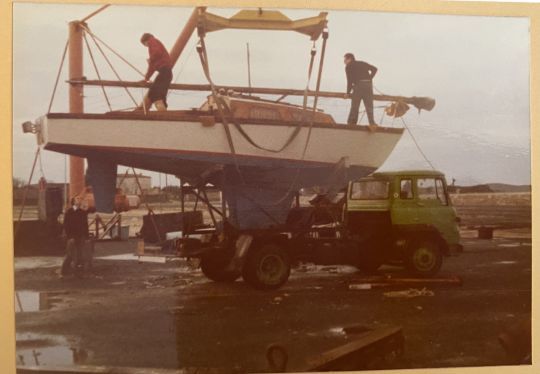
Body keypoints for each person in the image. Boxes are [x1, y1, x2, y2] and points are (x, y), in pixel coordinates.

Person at [137, 33, 173, 112]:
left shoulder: (152, 41)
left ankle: (161, 114)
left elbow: (157, 52)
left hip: (164, 71)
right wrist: (146, 78)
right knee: (161, 96)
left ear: (145, 41)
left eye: (145, 45)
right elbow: (152, 67)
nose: (147, 47)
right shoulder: (155, 43)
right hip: (167, 73)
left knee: (154, 94)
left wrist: (151, 59)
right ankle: (163, 112)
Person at [343, 53, 378, 127]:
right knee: (369, 106)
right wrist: (369, 78)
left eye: (345, 59)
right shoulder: (362, 63)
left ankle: (352, 124)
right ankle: (372, 123)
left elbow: (349, 81)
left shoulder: (348, 67)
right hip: (368, 85)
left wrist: (348, 93)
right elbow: (375, 69)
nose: (344, 61)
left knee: (355, 106)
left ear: (350, 59)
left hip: (358, 86)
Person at [60, 197, 89, 278]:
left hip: (81, 237)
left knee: (80, 255)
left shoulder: (83, 213)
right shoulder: (69, 212)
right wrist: (70, 237)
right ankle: (64, 272)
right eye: (77, 199)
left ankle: (78, 273)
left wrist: (86, 237)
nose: (79, 200)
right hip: (72, 237)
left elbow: (85, 226)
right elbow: (66, 226)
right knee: (70, 254)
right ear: (73, 202)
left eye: (80, 199)